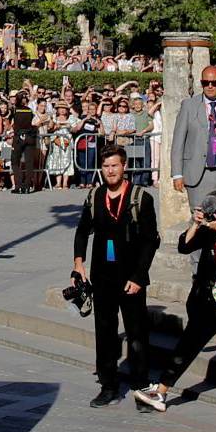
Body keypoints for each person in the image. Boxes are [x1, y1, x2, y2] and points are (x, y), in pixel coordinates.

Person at [72, 142, 159, 407]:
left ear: (124, 167)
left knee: (136, 332)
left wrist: (138, 276)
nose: (110, 171)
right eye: (106, 166)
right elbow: (82, 230)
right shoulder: (95, 196)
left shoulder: (140, 197)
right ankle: (108, 385)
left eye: (115, 166)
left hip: (130, 276)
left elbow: (150, 241)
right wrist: (78, 264)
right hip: (102, 275)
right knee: (105, 330)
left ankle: (141, 387)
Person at [132, 191, 216, 417]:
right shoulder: (209, 228)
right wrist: (196, 224)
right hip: (207, 298)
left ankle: (161, 390)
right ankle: (161, 392)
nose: (214, 213)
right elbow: (184, 246)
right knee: (188, 344)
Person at [169, 61, 216, 217]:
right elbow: (178, 142)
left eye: (214, 83)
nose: (210, 86)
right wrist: (177, 174)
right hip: (198, 174)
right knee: (200, 221)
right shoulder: (189, 106)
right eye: (205, 83)